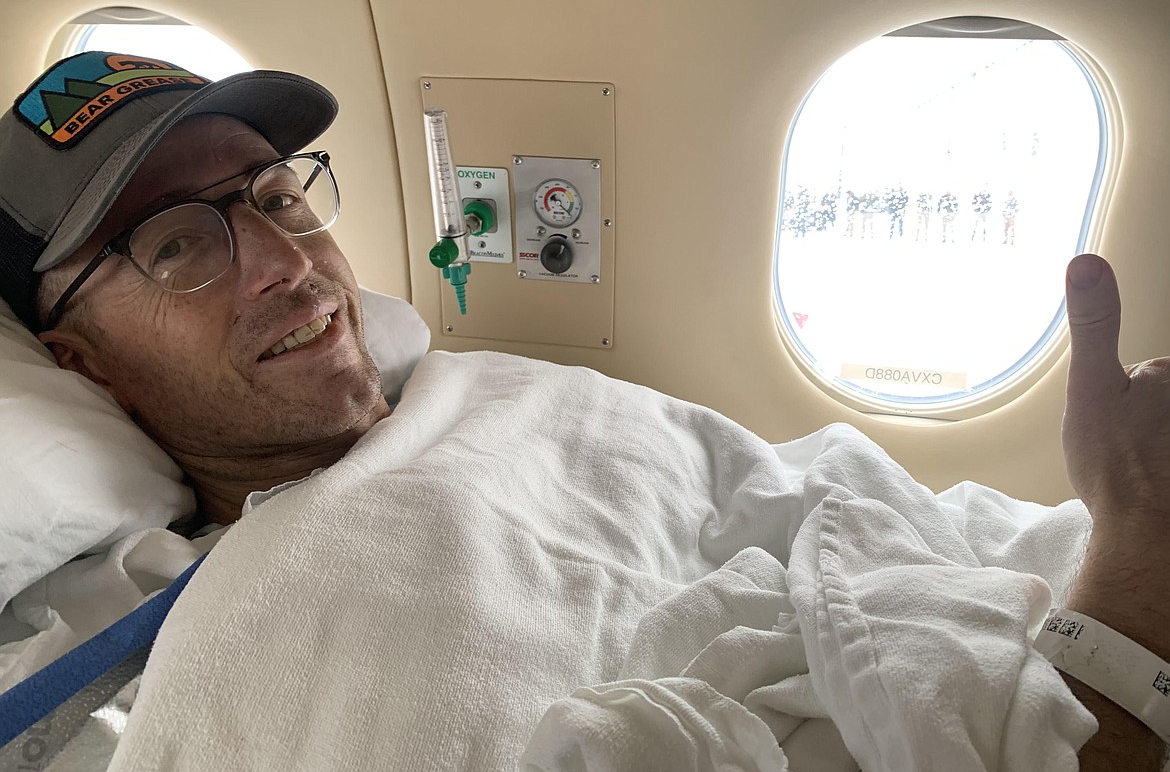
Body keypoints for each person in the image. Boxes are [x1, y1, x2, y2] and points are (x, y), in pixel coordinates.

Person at [2, 53, 1168, 768]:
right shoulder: (237, 640)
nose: (290, 262)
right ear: (81, 361)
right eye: (176, 244)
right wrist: (1137, 583)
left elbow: (817, 503)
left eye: (274, 193)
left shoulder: (494, 389)